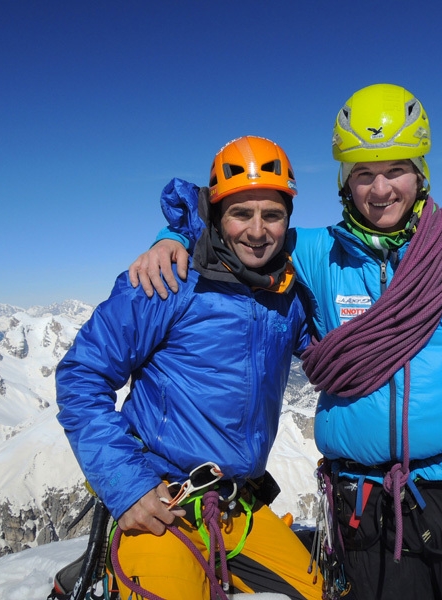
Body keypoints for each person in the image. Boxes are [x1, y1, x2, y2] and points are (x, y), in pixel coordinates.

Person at [129, 84, 442, 599]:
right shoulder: (313, 254)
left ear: (420, 173)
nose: (380, 190)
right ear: (343, 181)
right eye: (363, 174)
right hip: (361, 509)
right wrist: (170, 238)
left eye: (395, 169)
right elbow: (233, 219)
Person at [56, 136, 323, 600]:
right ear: (217, 216)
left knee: (318, 594)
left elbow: (328, 357)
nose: (257, 231)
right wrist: (127, 487)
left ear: (288, 220)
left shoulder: (287, 295)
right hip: (162, 501)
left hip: (238, 502)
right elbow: (80, 376)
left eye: (272, 214)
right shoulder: (167, 281)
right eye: (242, 213)